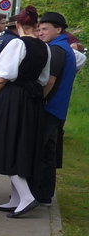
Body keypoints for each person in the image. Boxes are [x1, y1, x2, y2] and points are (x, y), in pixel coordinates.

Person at [0, 6, 48, 218]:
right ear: (35, 26)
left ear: (17, 25)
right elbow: (44, 80)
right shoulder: (44, 48)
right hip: (32, 100)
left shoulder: (16, 43)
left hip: (11, 98)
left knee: (6, 144)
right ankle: (16, 199)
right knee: (21, 145)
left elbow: (1, 77)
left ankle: (26, 196)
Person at [33, 11, 87, 205]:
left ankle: (35, 194)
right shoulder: (65, 48)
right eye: (39, 29)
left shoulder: (56, 49)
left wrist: (38, 100)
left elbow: (50, 81)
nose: (41, 32)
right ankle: (45, 195)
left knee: (39, 152)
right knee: (48, 153)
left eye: (45, 29)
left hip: (50, 108)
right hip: (59, 109)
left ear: (59, 29)